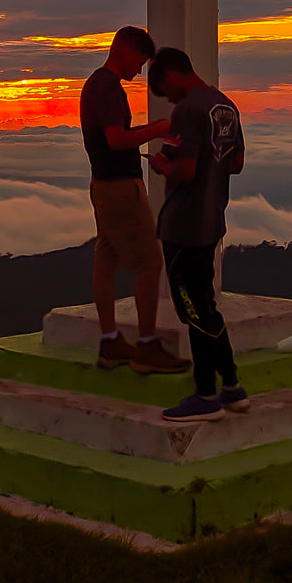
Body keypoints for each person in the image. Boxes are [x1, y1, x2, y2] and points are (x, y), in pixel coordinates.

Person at [145, 46, 250, 419]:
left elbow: (184, 170)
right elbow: (236, 163)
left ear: (172, 75)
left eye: (166, 92)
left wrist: (162, 166)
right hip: (212, 220)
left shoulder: (187, 111)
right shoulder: (225, 106)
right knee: (205, 305)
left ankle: (206, 395)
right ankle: (232, 387)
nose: (170, 100)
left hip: (184, 225)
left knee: (194, 311)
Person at [79, 25, 190, 376]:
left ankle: (110, 341)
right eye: (139, 62)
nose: (139, 71)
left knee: (106, 258)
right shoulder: (109, 88)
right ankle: (146, 346)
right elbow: (116, 140)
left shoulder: (93, 84)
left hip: (102, 184)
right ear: (125, 50)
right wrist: (157, 129)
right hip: (119, 188)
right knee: (149, 264)